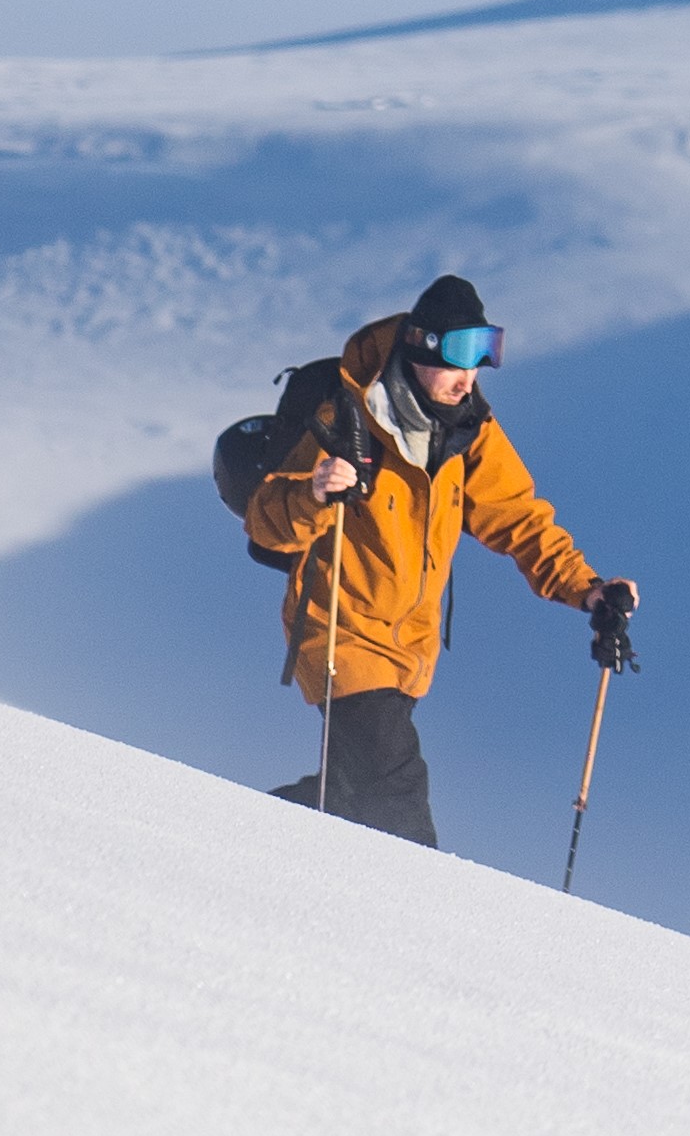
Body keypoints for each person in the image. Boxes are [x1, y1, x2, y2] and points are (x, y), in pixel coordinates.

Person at [250, 273, 633, 844]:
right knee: (396, 799)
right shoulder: (349, 420)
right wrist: (315, 492)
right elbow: (266, 519)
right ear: (420, 345)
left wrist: (588, 589)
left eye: (485, 352)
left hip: (410, 648)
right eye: (459, 353)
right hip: (343, 634)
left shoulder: (469, 429)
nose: (470, 373)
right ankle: (428, 915)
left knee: (348, 797)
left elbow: (517, 516)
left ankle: (230, 830)